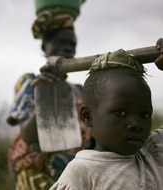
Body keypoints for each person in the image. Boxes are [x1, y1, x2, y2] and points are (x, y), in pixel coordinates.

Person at [50, 38, 163, 190]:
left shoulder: (153, 153)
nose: (136, 124)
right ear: (87, 116)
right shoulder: (81, 172)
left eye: (145, 115)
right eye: (121, 113)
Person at [6, 4, 93, 189]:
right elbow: (28, 136)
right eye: (61, 42)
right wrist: (47, 94)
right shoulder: (30, 83)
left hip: (76, 175)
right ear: (45, 47)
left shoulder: (81, 90)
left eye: (72, 45)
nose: (68, 49)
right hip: (37, 172)